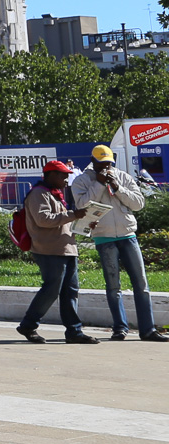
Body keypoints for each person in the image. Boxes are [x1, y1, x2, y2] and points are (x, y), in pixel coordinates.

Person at [72, 144, 165, 341]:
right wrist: (98, 185)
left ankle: (148, 330)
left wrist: (118, 187)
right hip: (104, 237)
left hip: (127, 235)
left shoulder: (122, 176)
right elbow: (81, 206)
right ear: (93, 162)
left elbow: (138, 204)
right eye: (101, 164)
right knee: (113, 286)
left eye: (108, 163)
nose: (106, 168)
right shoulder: (82, 181)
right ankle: (120, 328)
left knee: (141, 284)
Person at [16, 160, 95, 344]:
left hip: (66, 249)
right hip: (49, 250)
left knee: (70, 292)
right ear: (51, 175)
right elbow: (43, 219)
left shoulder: (54, 194)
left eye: (67, 176)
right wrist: (74, 214)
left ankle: (74, 331)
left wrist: (84, 223)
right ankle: (28, 325)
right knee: (51, 290)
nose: (66, 180)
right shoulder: (38, 194)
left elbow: (62, 222)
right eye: (63, 176)